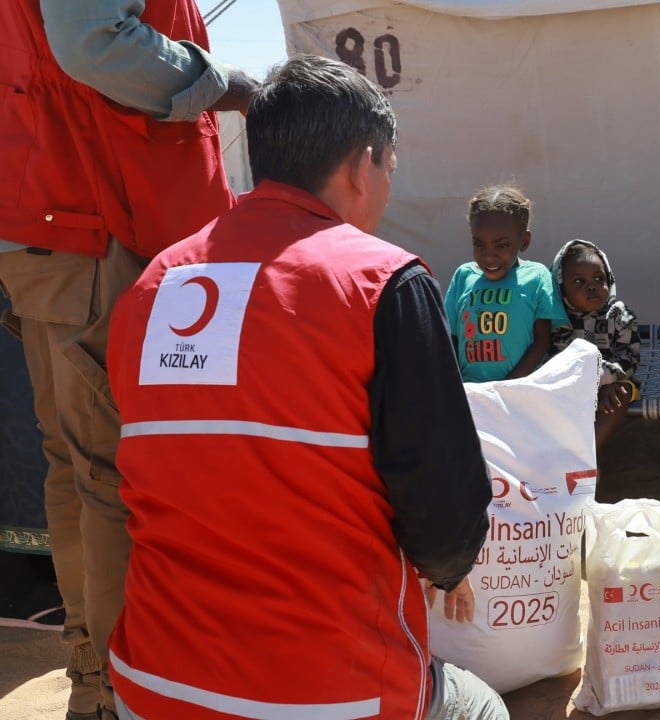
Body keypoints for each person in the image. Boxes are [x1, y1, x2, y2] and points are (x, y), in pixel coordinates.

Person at [105, 56, 507, 720]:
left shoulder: (153, 289)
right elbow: (444, 514)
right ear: (362, 165)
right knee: (483, 708)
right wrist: (450, 570)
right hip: (332, 695)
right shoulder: (384, 282)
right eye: (390, 169)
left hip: (149, 688)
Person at [0, 2, 256, 717]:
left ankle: (96, 677)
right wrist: (225, 84)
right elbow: (93, 44)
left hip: (58, 222)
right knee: (112, 470)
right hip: (98, 219)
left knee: (77, 464)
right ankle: (123, 690)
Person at [444, 185, 568, 382]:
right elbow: (450, 338)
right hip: (469, 393)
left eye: (501, 245)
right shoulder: (463, 276)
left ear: (524, 241)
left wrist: (507, 387)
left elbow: (542, 341)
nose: (488, 256)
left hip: (518, 393)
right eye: (479, 244)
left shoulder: (537, 277)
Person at [550, 238, 642, 450]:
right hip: (571, 383)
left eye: (598, 278)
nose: (591, 287)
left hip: (613, 381)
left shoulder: (618, 315)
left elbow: (629, 359)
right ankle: (563, 455)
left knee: (622, 393)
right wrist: (592, 387)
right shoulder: (559, 321)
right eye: (579, 282)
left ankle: (589, 455)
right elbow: (562, 361)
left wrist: (605, 383)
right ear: (562, 287)